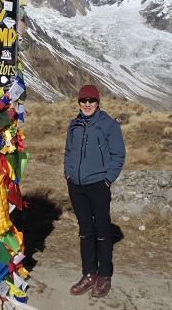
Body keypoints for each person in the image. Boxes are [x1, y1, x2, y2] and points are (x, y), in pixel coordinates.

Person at [63, 84, 126, 298]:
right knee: (85, 230)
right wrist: (68, 174)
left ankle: (104, 275)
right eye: (84, 101)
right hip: (76, 186)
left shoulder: (109, 125)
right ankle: (89, 274)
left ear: (98, 103)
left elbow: (118, 155)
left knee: (102, 230)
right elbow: (68, 152)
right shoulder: (74, 125)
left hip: (98, 184)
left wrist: (107, 180)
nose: (87, 104)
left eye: (91, 101)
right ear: (79, 103)